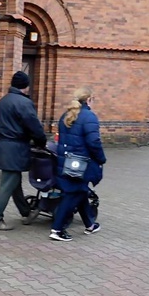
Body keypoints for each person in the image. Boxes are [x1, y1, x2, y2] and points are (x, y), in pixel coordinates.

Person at [0, 70, 47, 231]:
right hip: (17, 147)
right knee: (8, 183)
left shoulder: (2, 101)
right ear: (26, 86)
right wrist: (41, 141)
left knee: (14, 182)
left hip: (3, 146)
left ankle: (26, 212)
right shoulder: (23, 103)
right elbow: (33, 126)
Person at [49, 87, 106, 241]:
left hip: (66, 162)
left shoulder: (65, 116)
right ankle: (57, 229)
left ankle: (90, 224)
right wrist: (101, 159)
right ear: (88, 99)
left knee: (79, 192)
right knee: (72, 194)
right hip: (81, 164)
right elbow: (94, 142)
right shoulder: (89, 117)